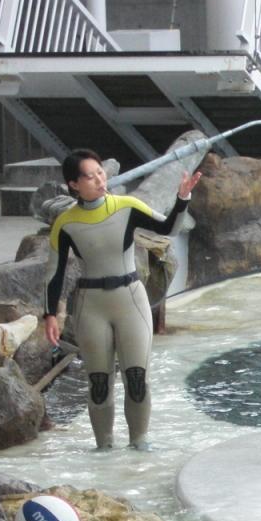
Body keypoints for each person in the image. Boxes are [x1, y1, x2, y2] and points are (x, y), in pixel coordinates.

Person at [42, 149, 201, 450]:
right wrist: (50, 314)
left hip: (131, 300)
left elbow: (168, 228)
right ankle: (104, 449)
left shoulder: (126, 206)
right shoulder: (65, 223)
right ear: (74, 184)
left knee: (137, 378)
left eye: (100, 173)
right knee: (99, 383)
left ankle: (139, 445)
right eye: (90, 177)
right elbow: (55, 273)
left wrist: (182, 199)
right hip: (91, 305)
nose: (100, 180)